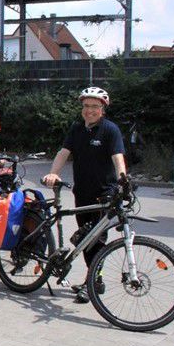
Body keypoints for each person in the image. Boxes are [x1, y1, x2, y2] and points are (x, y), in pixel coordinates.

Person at [42, 87, 126, 304]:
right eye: (86, 106)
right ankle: (92, 278)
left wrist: (123, 180)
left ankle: (94, 283)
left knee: (95, 240)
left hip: (104, 194)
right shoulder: (77, 129)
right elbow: (63, 153)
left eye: (94, 107)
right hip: (82, 192)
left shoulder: (110, 130)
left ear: (103, 109)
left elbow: (118, 157)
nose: (89, 110)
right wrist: (53, 173)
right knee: (85, 237)